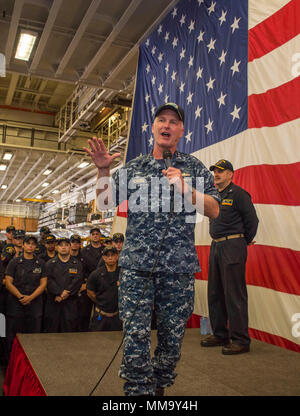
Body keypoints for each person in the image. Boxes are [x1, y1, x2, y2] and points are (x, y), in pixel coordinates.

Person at [84, 102, 220, 396]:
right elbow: (105, 203)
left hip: (178, 269)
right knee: (135, 335)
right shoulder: (135, 167)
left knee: (172, 339)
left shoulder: (193, 167)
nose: (167, 125)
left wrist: (187, 189)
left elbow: (214, 210)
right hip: (137, 268)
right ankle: (136, 392)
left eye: (173, 122)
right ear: (153, 127)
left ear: (181, 130)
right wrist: (104, 169)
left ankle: (157, 389)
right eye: (162, 120)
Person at [201, 159, 259, 355]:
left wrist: (243, 240)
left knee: (234, 294)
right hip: (216, 246)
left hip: (233, 245)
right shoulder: (214, 196)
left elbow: (252, 220)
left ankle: (241, 340)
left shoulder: (239, 194)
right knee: (215, 292)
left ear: (230, 174)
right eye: (215, 171)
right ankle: (220, 334)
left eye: (221, 171)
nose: (216, 174)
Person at [5, 235, 47, 353]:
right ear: (23, 245)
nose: (30, 246)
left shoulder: (41, 263)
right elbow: (8, 283)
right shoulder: (14, 262)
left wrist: (31, 298)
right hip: (16, 303)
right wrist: (21, 296)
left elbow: (43, 284)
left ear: (36, 247)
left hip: (35, 303)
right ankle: (12, 361)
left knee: (33, 334)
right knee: (13, 335)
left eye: (33, 244)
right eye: (28, 243)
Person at [43, 238, 83, 333]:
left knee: (69, 330)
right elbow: (48, 281)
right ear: (57, 248)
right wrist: (60, 292)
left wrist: (65, 294)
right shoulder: (49, 264)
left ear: (70, 247)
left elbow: (77, 281)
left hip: (70, 303)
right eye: (61, 245)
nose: (64, 247)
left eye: (66, 245)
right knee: (52, 330)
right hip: (54, 302)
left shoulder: (77, 264)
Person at [87, 245, 122, 331]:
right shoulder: (96, 274)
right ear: (103, 258)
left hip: (117, 317)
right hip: (100, 316)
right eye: (107, 255)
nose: (110, 258)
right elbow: (90, 292)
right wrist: (100, 301)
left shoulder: (122, 274)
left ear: (117, 256)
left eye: (112, 255)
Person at [70, 234, 92, 332]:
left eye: (77, 242)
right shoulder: (65, 258)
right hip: (68, 292)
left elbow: (92, 275)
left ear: (80, 244)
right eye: (73, 242)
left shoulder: (85, 259)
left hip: (81, 291)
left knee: (83, 316)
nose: (75, 244)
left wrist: (86, 285)